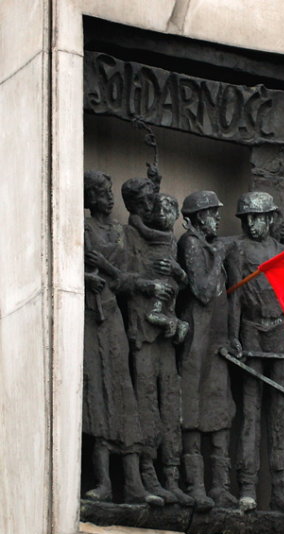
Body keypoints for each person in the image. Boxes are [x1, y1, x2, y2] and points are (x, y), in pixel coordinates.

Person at [82, 170, 163, 506]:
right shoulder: (82, 228)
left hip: (113, 316)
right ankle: (103, 483)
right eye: (102, 191)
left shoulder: (120, 232)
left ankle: (133, 484)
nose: (108, 196)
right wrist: (86, 277)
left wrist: (106, 268)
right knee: (97, 398)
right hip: (90, 319)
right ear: (89, 197)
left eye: (109, 190)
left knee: (123, 395)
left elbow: (131, 279)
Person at [228, 191, 284, 515]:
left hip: (278, 331)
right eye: (247, 218)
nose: (252, 224)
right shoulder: (238, 249)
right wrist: (233, 336)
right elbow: (234, 296)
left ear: (271, 218)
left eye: (258, 217)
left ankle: (281, 489)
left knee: (280, 412)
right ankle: (247, 487)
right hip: (251, 330)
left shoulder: (283, 251)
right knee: (251, 410)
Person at [121, 177, 192, 506]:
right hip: (143, 334)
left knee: (171, 405)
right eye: (147, 202)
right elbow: (119, 281)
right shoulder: (129, 236)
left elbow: (182, 288)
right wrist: (147, 285)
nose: (154, 207)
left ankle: (172, 477)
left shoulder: (168, 241)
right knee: (147, 405)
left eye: (155, 200)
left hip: (166, 333)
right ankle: (148, 476)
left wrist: (177, 274)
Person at [177, 191, 237, 510]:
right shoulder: (191, 243)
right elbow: (202, 290)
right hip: (196, 341)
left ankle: (220, 487)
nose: (217, 218)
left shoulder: (208, 246)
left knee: (219, 408)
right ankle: (196, 486)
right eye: (213, 213)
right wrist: (219, 255)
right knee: (192, 410)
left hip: (215, 341)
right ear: (199, 217)